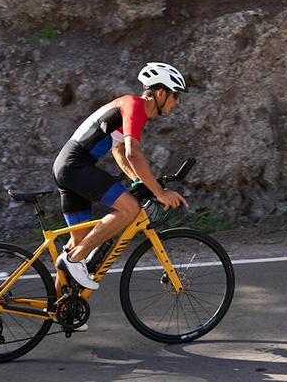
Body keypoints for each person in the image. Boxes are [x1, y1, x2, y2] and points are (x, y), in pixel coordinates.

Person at [53, 62, 189, 295]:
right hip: (76, 166)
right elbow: (132, 153)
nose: (177, 102)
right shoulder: (134, 105)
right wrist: (158, 192)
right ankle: (75, 259)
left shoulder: (130, 107)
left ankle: (59, 309)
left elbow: (118, 151)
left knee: (78, 242)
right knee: (129, 209)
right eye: (175, 95)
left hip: (68, 167)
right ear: (160, 93)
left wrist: (139, 180)